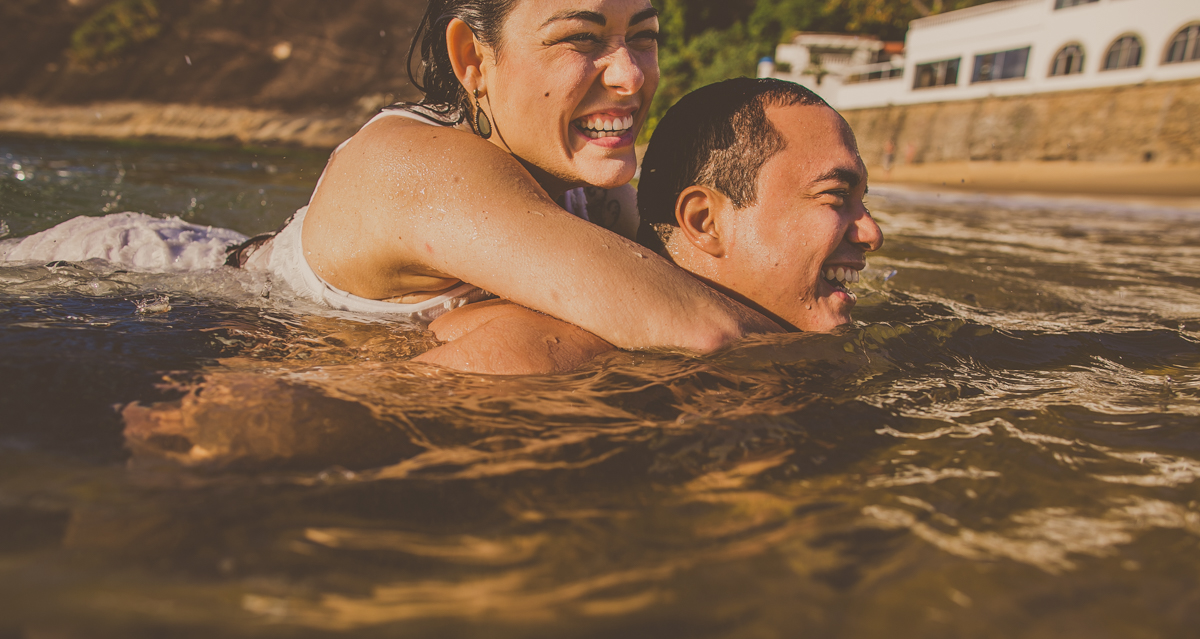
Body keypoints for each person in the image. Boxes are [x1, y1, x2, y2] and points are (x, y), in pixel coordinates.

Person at [3, 0, 778, 352]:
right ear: (473, 60)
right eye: (580, 38)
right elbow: (697, 327)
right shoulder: (418, 167)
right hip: (127, 278)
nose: (631, 75)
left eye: (641, 37)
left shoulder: (587, 166)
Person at [414, 77, 884, 374]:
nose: (872, 233)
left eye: (863, 201)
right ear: (705, 221)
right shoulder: (545, 356)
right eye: (836, 197)